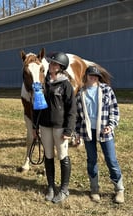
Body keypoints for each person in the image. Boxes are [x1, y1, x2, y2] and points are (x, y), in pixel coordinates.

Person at [75, 66, 125, 203]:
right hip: (87, 131)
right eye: (91, 75)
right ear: (86, 76)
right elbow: (77, 117)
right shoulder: (80, 93)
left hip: (104, 130)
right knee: (92, 160)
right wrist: (77, 133)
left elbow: (114, 109)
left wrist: (111, 125)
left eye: (96, 76)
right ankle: (94, 188)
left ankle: (119, 189)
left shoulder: (106, 90)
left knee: (111, 160)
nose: (94, 77)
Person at [32, 52, 76, 203]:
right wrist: (34, 126)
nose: (51, 65)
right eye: (51, 63)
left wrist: (69, 129)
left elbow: (72, 109)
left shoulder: (66, 85)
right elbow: (36, 107)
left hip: (60, 127)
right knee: (48, 155)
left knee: (63, 156)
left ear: (61, 67)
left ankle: (64, 189)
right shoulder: (42, 83)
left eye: (55, 64)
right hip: (45, 125)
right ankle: (51, 186)